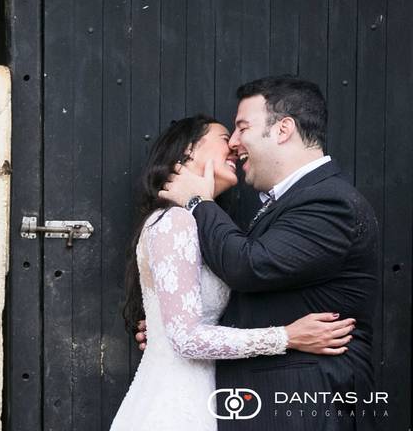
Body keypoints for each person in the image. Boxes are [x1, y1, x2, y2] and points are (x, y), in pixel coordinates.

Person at [155, 76, 380, 430]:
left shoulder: (330, 201)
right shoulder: (293, 201)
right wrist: (167, 323)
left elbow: (249, 267)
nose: (234, 142)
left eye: (243, 127)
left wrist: (197, 202)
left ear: (283, 129)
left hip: (306, 401)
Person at [110, 114, 355, 431]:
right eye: (225, 138)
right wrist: (288, 337)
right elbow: (186, 338)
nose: (235, 147)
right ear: (188, 150)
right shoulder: (175, 222)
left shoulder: (199, 225)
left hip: (209, 396)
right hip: (175, 405)